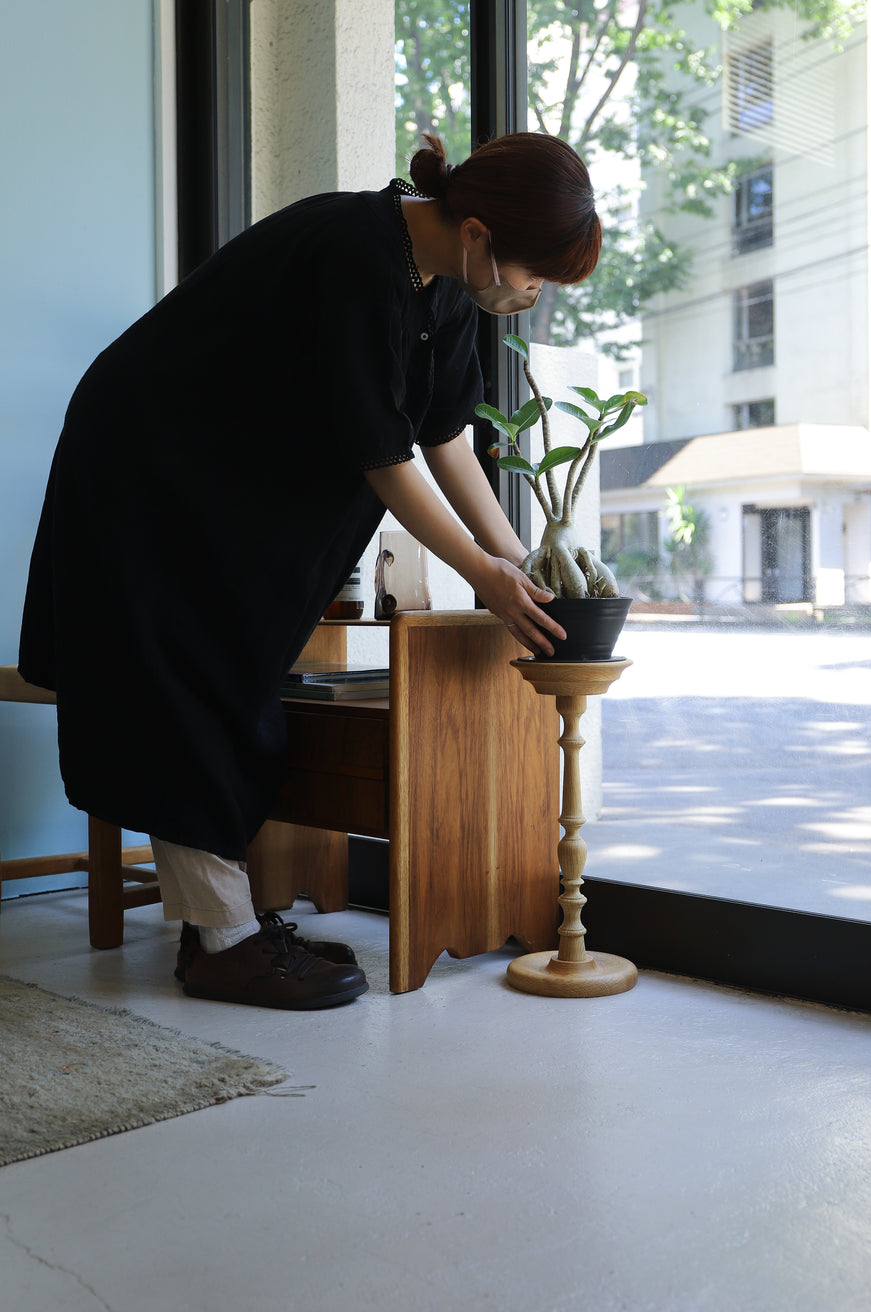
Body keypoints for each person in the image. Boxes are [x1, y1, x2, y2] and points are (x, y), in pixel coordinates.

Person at [18, 131, 602, 1009]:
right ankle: (222, 943)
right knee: (187, 680)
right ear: (479, 234)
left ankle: (223, 926)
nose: (533, 294)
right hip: (144, 463)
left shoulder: (444, 292)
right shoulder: (356, 252)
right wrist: (482, 573)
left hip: (220, 478)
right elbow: (383, 453)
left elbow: (446, 438)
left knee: (234, 678)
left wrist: (523, 563)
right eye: (535, 274)